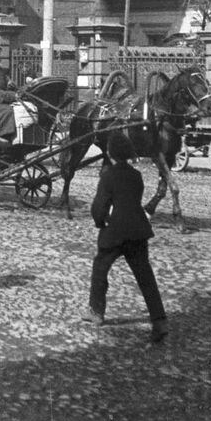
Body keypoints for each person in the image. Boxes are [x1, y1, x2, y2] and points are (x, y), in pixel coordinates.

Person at [82, 142, 169, 343]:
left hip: (115, 231)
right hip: (138, 230)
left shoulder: (108, 175)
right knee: (145, 277)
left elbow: (99, 205)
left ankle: (96, 311)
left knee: (100, 268)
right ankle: (160, 320)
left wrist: (99, 221)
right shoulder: (136, 175)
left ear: (111, 154)